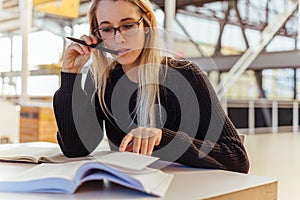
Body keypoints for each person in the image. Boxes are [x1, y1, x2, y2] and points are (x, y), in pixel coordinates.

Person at [53, 0, 249, 173]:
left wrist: (163, 137)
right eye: (106, 29)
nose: (118, 40)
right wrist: (70, 76)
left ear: (146, 24)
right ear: (97, 35)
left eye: (128, 25)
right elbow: (75, 149)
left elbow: (237, 157)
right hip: (127, 191)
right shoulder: (102, 80)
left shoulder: (186, 75)